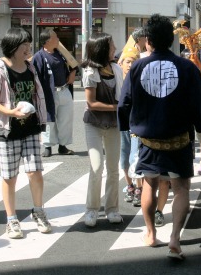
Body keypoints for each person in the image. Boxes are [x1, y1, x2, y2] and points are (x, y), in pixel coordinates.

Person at [118, 14, 201, 260]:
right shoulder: (187, 67)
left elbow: (124, 102)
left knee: (150, 183)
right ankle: (175, 238)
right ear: (171, 40)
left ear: (148, 41)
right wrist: (200, 125)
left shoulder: (137, 68)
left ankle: (150, 233)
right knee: (181, 187)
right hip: (179, 136)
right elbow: (200, 100)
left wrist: (127, 127)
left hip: (148, 138)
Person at [0, 27, 52, 239]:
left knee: (35, 172)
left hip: (30, 128)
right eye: (24, 46)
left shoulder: (30, 68)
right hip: (7, 131)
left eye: (29, 45)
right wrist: (11, 112)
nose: (28, 49)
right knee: (10, 177)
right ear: (13, 47)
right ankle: (11, 219)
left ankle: (38, 211)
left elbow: (37, 95)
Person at [81, 33, 124, 227]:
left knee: (113, 168)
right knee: (97, 167)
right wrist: (117, 107)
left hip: (114, 124)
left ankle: (112, 208)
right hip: (94, 123)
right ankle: (91, 209)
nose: (115, 48)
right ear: (102, 49)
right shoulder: (90, 71)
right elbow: (91, 103)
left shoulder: (116, 68)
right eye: (111, 45)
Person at [32, 29, 77, 158]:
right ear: (47, 41)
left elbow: (74, 65)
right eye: (55, 37)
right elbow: (35, 77)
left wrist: (72, 74)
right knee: (48, 120)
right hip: (49, 93)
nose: (58, 39)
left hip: (64, 90)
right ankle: (47, 146)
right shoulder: (39, 56)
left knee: (65, 120)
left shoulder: (61, 53)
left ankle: (63, 146)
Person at [118, 36, 143, 205]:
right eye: (127, 61)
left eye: (133, 61)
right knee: (124, 155)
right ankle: (129, 185)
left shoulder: (140, 79)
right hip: (122, 123)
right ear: (121, 63)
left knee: (136, 155)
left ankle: (139, 188)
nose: (130, 64)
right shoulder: (117, 79)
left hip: (136, 123)